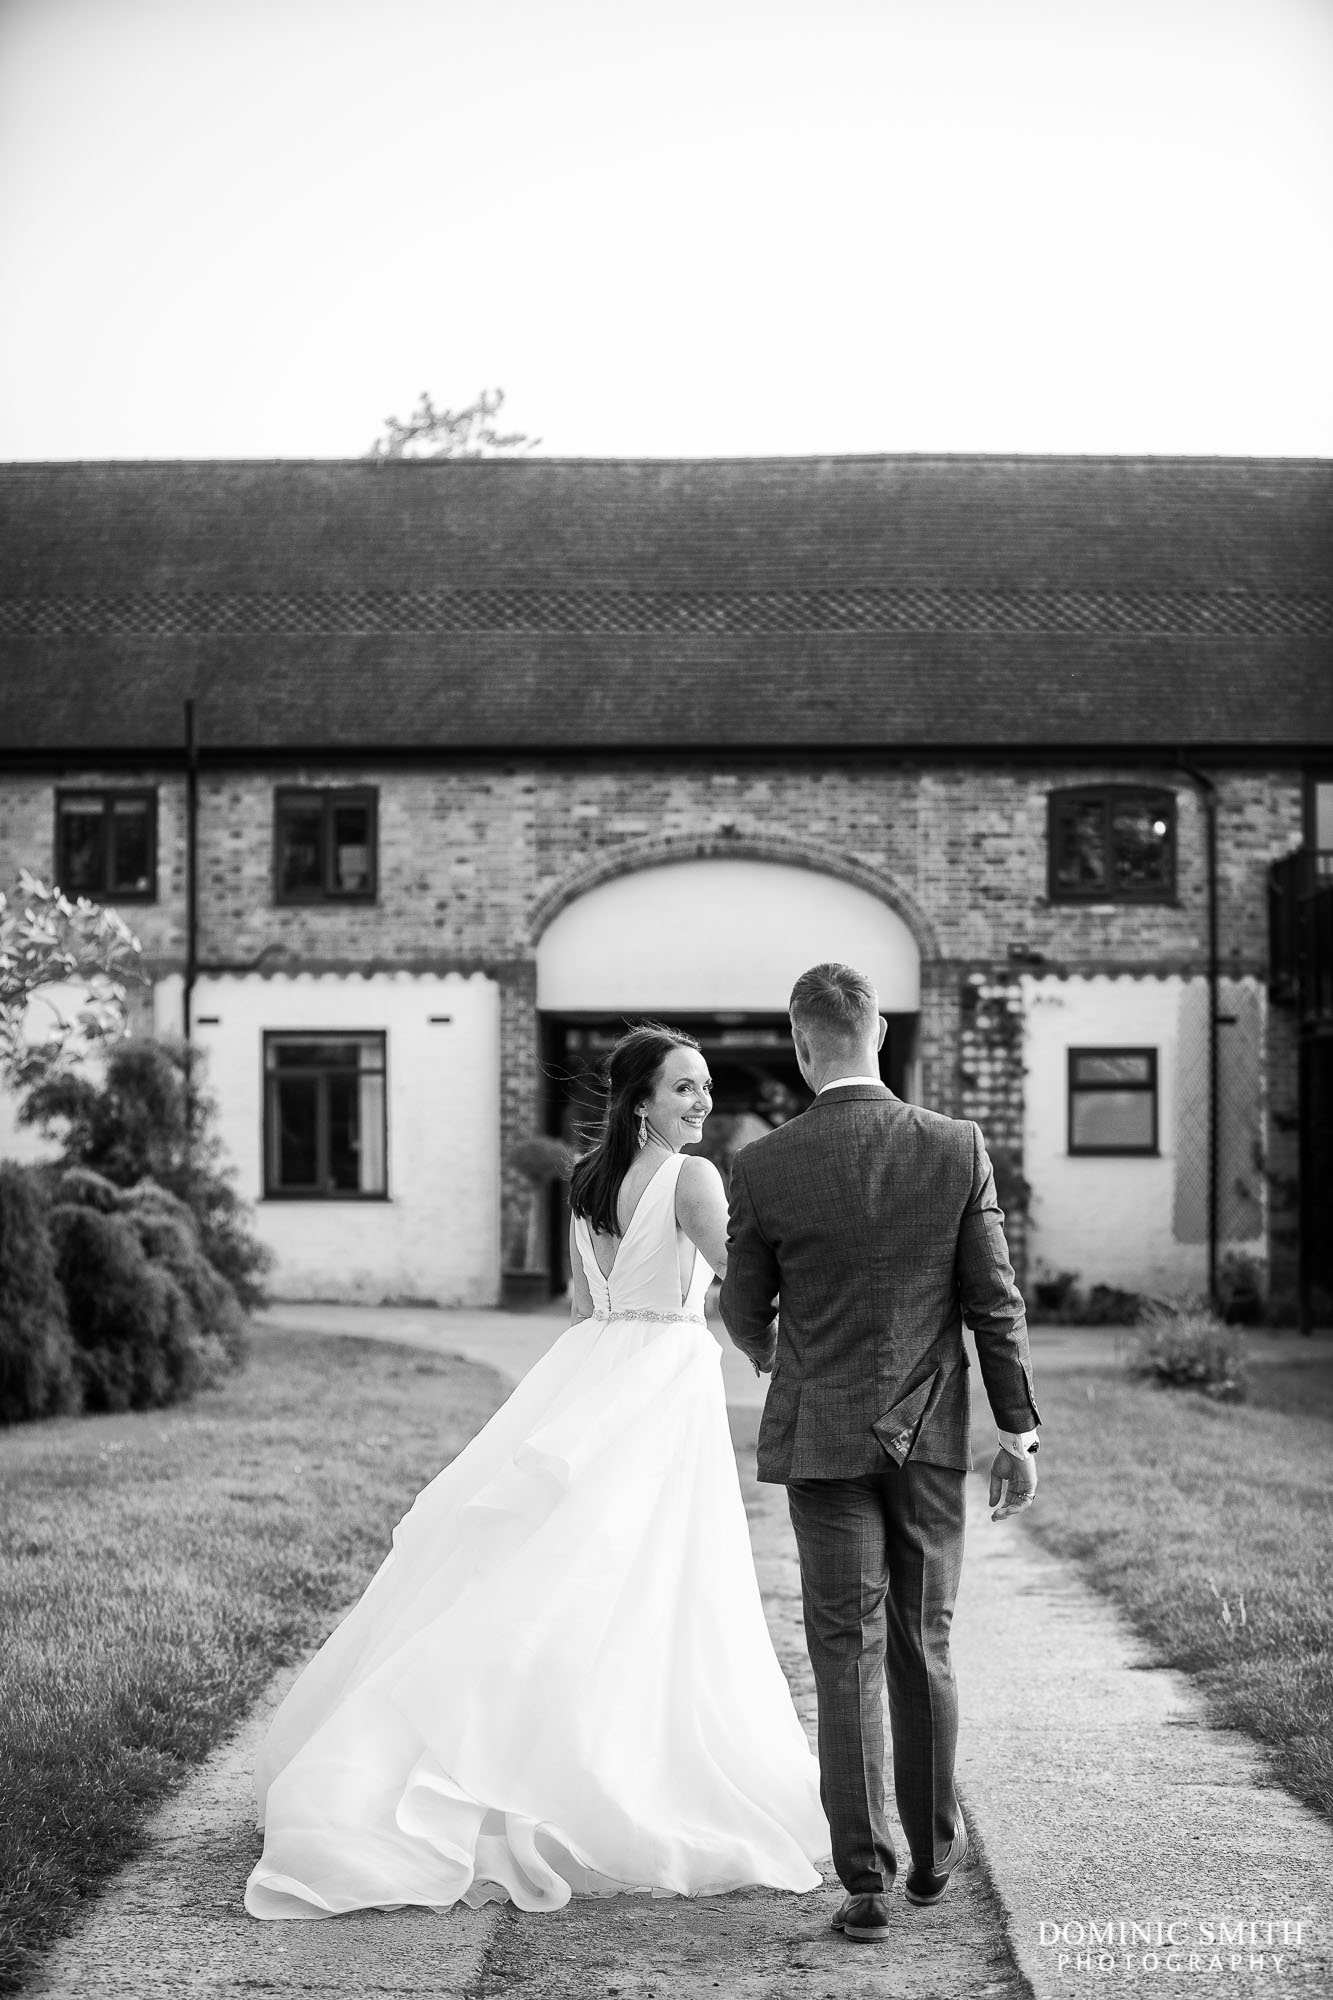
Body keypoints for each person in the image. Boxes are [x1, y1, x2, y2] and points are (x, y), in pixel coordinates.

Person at [245, 1022, 828, 1921]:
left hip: (587, 1371)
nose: (702, 1102)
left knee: (566, 1563)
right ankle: (601, 1762)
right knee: (648, 1575)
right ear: (640, 1100)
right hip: (660, 1382)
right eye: (684, 1089)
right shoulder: (694, 1178)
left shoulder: (587, 1182)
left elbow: (577, 1302)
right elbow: (742, 1284)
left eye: (704, 1087)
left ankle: (507, 1751)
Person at [720, 962, 1041, 1947]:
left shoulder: (765, 1164)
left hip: (823, 1442)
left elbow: (741, 1309)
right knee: (924, 1641)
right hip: (933, 1441)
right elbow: (993, 1301)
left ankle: (863, 1876)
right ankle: (935, 1855)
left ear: (802, 1042)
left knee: (843, 1653)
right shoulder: (954, 1145)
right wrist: (1017, 1431)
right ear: (880, 1034)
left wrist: (789, 1358)